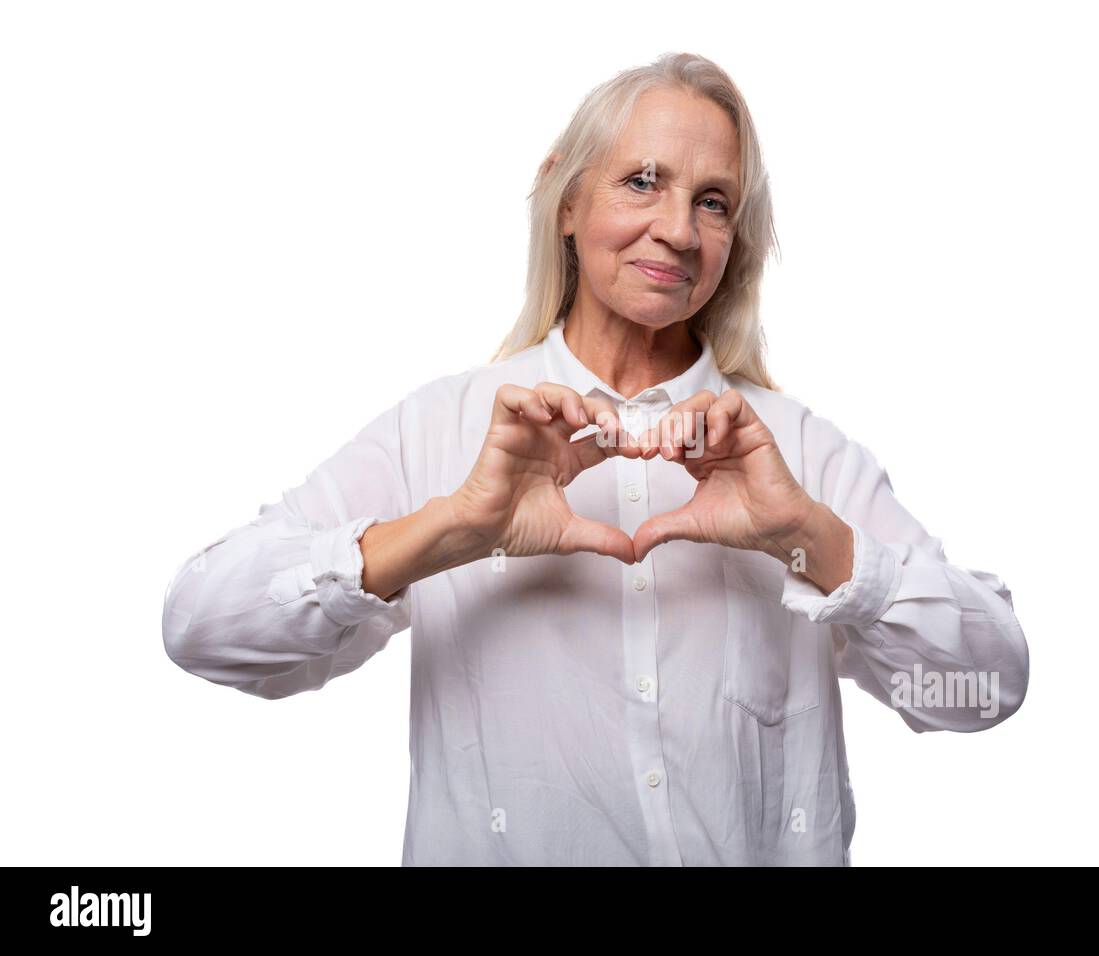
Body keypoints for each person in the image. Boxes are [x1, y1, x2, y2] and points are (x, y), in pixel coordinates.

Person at [162, 51, 1029, 866]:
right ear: (565, 199)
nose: (679, 230)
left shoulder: (800, 451)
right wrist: (453, 530)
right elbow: (201, 628)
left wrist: (807, 537)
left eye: (714, 201)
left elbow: (988, 690)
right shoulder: (441, 430)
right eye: (642, 181)